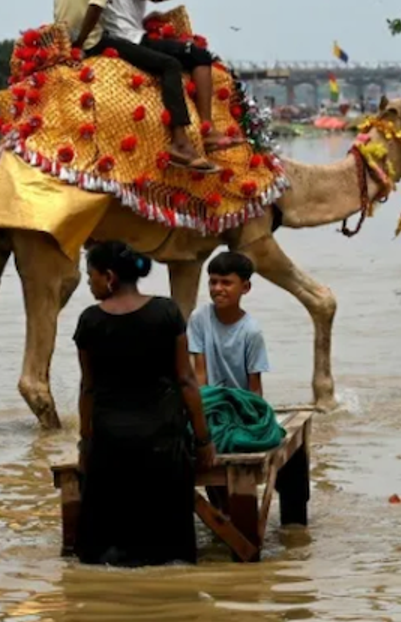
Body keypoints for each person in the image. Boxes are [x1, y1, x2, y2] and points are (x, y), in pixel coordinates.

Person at [72, 241, 215, 566]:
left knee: (105, 550)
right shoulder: (166, 312)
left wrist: (85, 443)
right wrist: (203, 439)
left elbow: (88, 388)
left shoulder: (90, 321)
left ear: (109, 277)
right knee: (168, 551)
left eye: (91, 275)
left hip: (110, 444)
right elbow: (186, 380)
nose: (89, 283)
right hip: (162, 441)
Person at [54, 0, 212, 171]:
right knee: (178, 62)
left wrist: (68, 40)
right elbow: (100, 3)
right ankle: (186, 139)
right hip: (101, 40)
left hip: (67, 37)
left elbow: (70, 3)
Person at [103, 0, 230, 154]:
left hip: (116, 38)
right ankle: (205, 130)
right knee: (199, 56)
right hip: (132, 40)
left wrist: (144, 19)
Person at [188, 252, 270, 397]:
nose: (218, 288)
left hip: (240, 402)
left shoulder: (251, 331)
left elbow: (255, 386)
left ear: (245, 287)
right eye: (213, 282)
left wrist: (255, 408)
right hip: (210, 399)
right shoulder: (199, 318)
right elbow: (200, 373)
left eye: (226, 283)